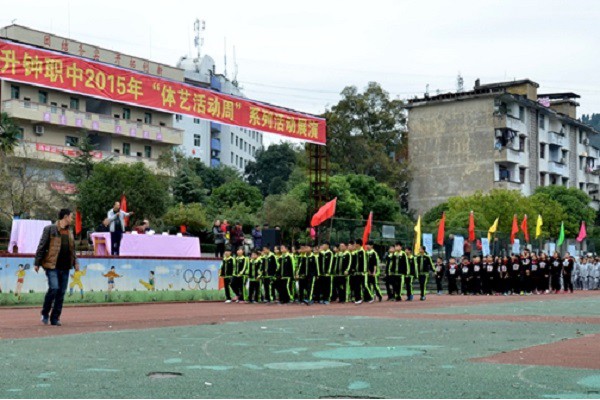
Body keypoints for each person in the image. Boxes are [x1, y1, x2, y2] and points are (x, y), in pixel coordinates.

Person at [34, 208, 78, 326]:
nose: (72, 219)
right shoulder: (50, 229)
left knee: (61, 293)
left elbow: (72, 249)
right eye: (71, 217)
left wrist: (75, 263)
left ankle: (55, 318)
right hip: (51, 265)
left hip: (65, 267)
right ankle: (45, 313)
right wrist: (37, 262)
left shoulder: (70, 231)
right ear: (65, 217)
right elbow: (42, 246)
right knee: (54, 288)